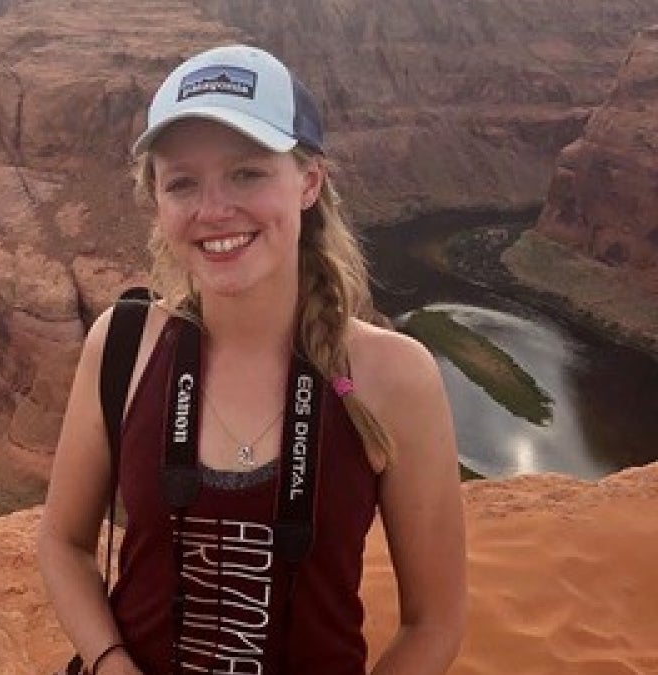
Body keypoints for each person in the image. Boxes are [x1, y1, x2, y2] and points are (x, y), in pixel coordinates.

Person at [38, 44, 466, 675]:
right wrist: (109, 664)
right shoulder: (123, 346)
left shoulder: (396, 379)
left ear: (309, 183)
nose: (214, 211)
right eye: (183, 182)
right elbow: (64, 542)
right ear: (156, 199)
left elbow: (434, 623)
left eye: (248, 173)